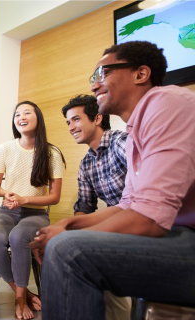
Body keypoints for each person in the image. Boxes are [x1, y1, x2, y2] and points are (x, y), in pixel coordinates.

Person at [31, 41, 195, 319]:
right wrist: (68, 224)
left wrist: (71, 233)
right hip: (172, 234)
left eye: (102, 74)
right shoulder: (132, 139)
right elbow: (126, 206)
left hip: (182, 236)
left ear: (140, 74)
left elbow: (148, 218)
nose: (95, 86)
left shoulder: (166, 103)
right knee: (62, 240)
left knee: (68, 250)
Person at [0, 101, 65, 320]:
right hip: (7, 212)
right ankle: (23, 293)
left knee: (19, 236)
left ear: (38, 117)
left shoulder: (52, 153)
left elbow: (55, 197)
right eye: (17, 114)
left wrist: (24, 199)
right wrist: (7, 195)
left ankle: (20, 301)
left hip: (37, 215)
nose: (21, 117)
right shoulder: (5, 148)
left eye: (27, 112)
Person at [62, 94, 131, 320]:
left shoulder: (121, 142)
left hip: (139, 221)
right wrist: (71, 231)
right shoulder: (86, 163)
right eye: (68, 123)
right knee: (66, 244)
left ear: (97, 118)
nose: (71, 127)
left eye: (76, 120)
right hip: (117, 223)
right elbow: (85, 205)